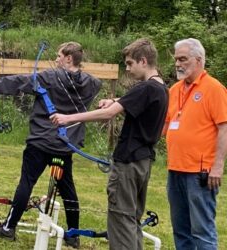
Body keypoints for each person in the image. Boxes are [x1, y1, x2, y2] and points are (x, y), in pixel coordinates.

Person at [0, 41, 102, 248]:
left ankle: (9, 228)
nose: (56, 59)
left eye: (59, 56)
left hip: (41, 142)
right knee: (68, 189)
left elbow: (18, 83)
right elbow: (93, 85)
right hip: (64, 145)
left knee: (26, 182)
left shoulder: (49, 77)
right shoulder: (91, 83)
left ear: (69, 58)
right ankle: (73, 236)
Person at [51, 38, 168, 250]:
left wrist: (68, 118)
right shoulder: (160, 87)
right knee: (132, 220)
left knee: (121, 221)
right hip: (143, 162)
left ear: (143, 61)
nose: (128, 68)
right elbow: (128, 102)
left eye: (130, 63)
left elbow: (108, 114)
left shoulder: (145, 88)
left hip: (128, 164)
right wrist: (114, 101)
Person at [164, 38, 227, 250]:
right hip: (175, 169)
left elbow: (224, 128)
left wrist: (217, 166)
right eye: (176, 60)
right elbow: (164, 126)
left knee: (202, 231)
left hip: (200, 173)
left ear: (198, 60)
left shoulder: (214, 88)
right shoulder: (174, 90)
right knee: (180, 230)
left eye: (183, 59)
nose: (178, 64)